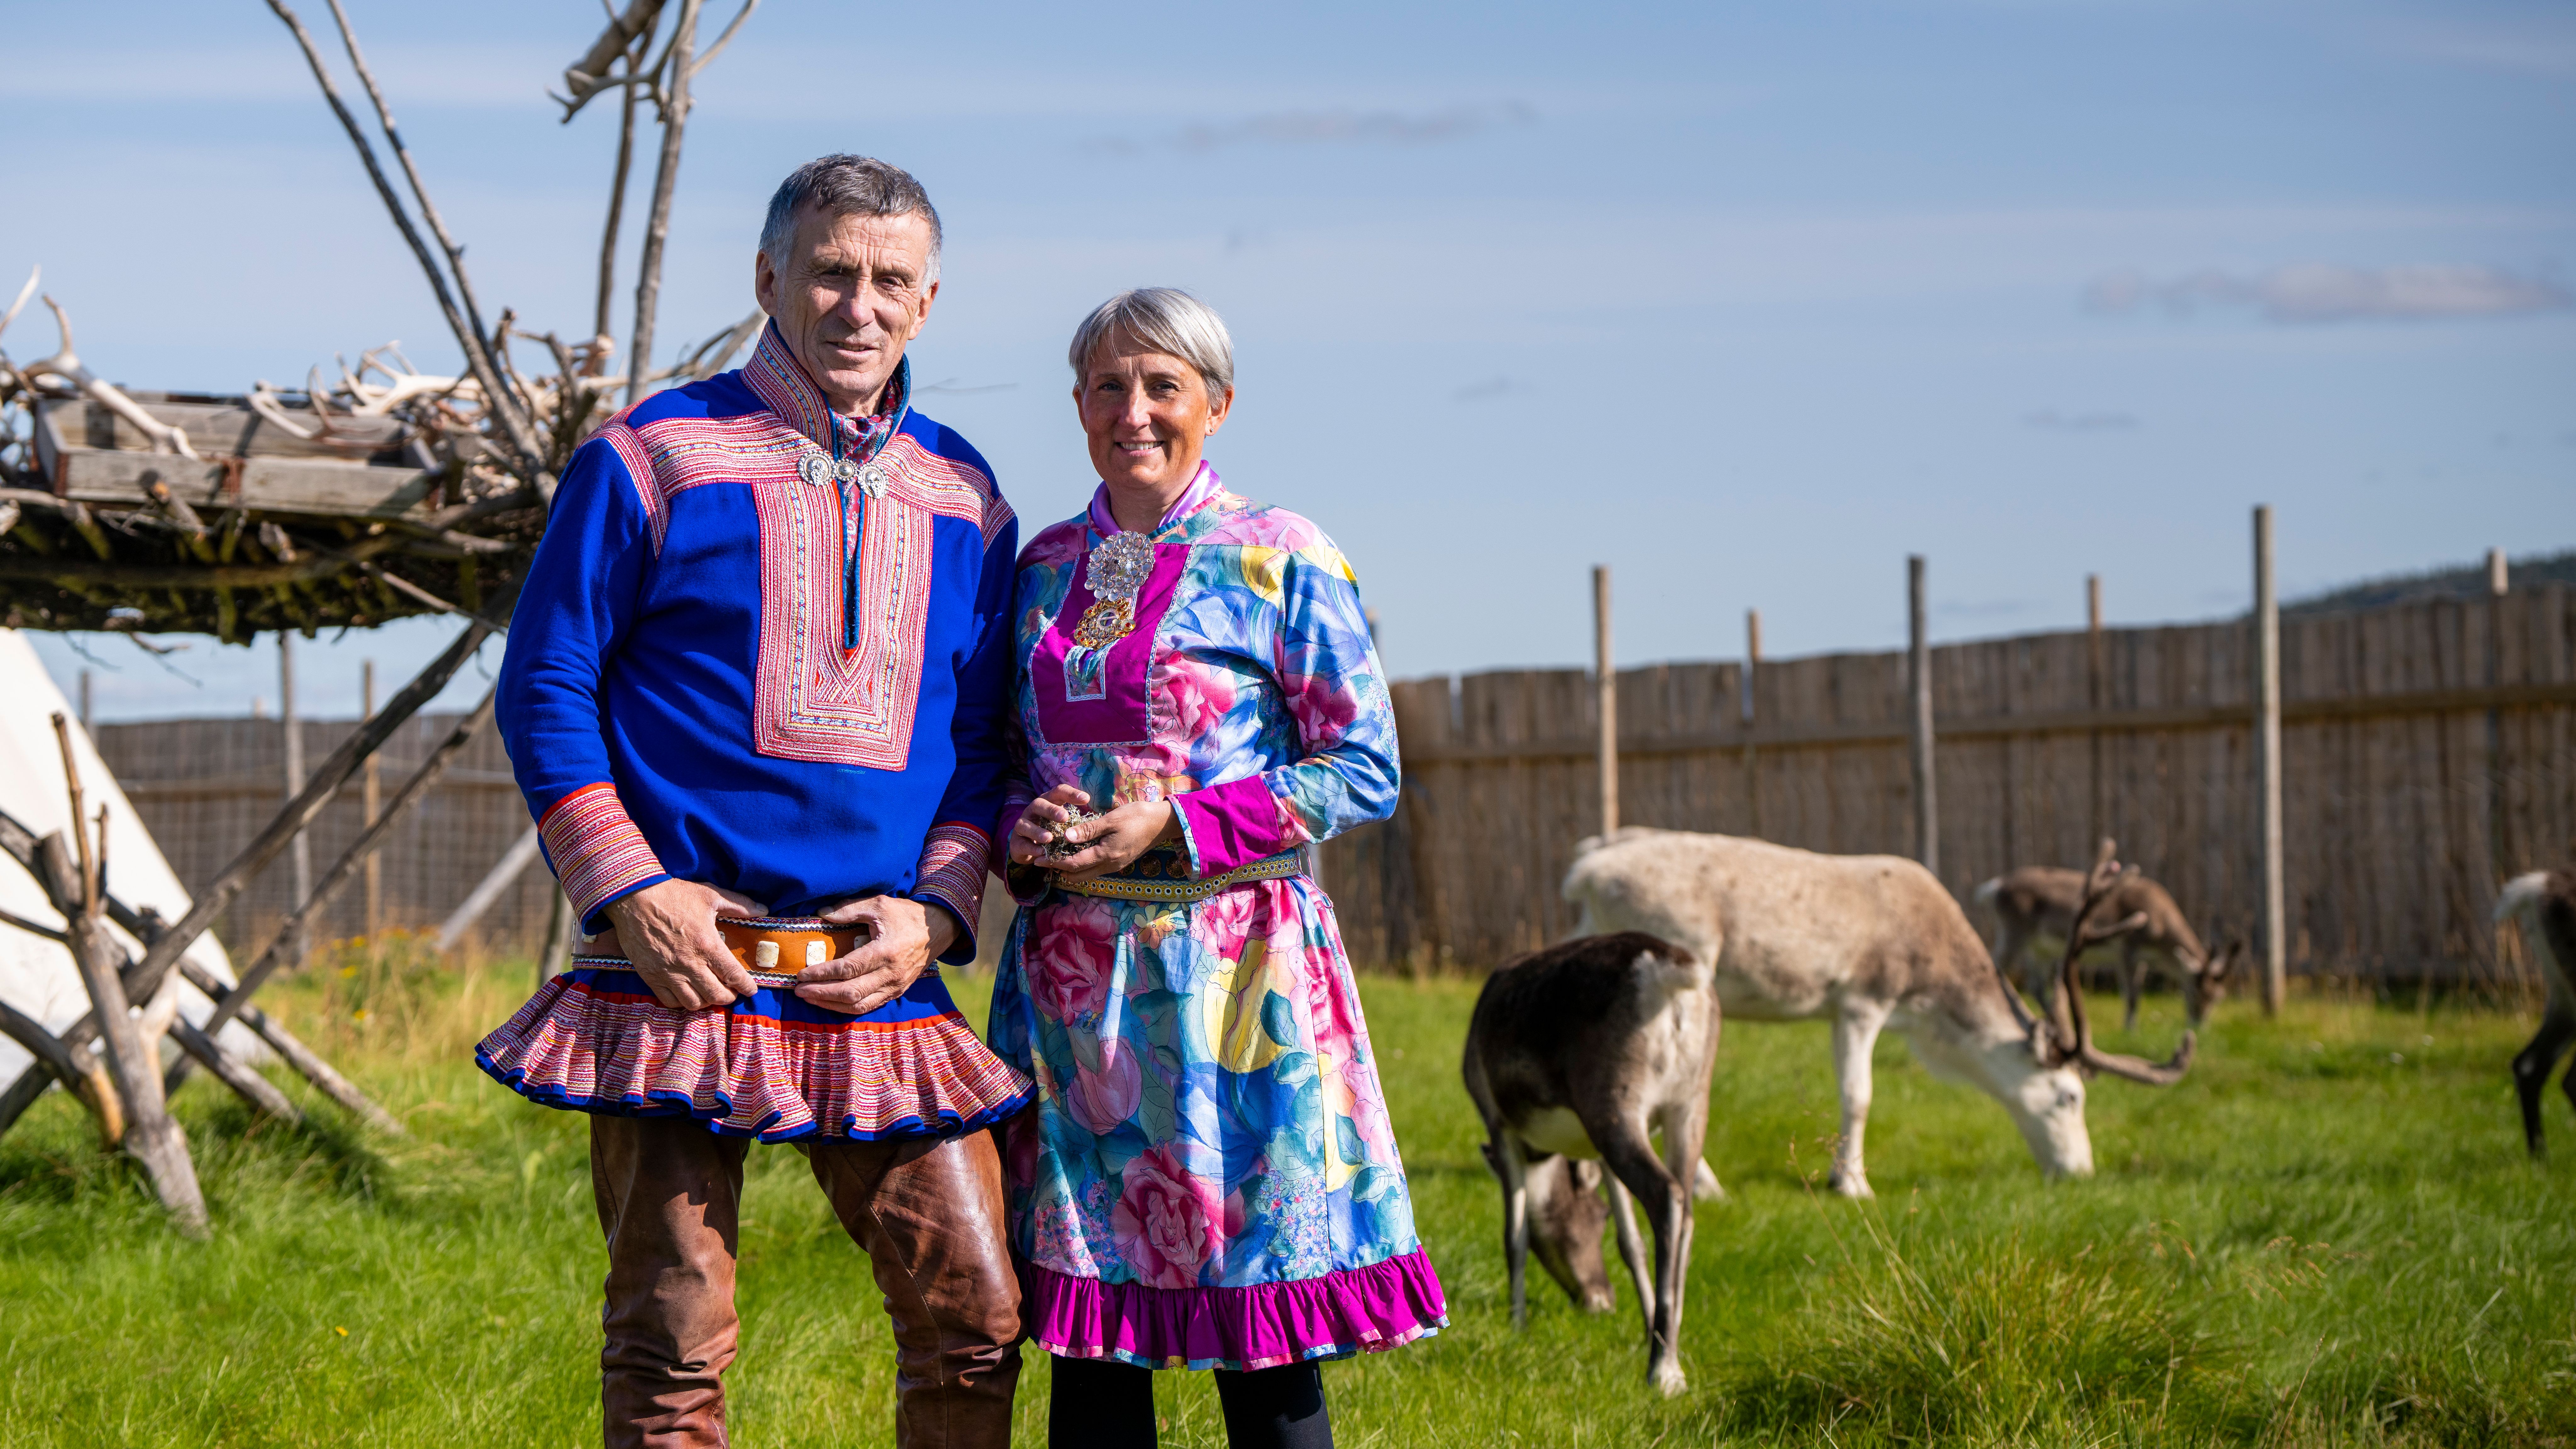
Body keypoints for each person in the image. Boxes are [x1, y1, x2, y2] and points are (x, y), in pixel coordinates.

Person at [476, 155, 1029, 1449]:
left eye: (890, 280)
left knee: (975, 1321)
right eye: (831, 271)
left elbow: (985, 742)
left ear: (928, 302)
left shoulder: (970, 499)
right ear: (769, 277)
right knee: (670, 1346)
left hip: (876, 966)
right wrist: (632, 888)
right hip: (676, 963)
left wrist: (935, 918)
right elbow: (547, 682)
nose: (858, 305)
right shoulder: (651, 456)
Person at [985, 289, 1446, 1449]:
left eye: (1162, 386)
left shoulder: (1282, 556)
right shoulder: (1041, 569)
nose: (1131, 410)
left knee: (1263, 1338)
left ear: (1218, 406)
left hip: (1242, 986)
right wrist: (1015, 829)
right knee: (1092, 1346)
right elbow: (993, 754)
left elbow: (1365, 769)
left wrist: (1181, 826)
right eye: (1106, 386)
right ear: (1078, 406)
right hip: (1073, 992)